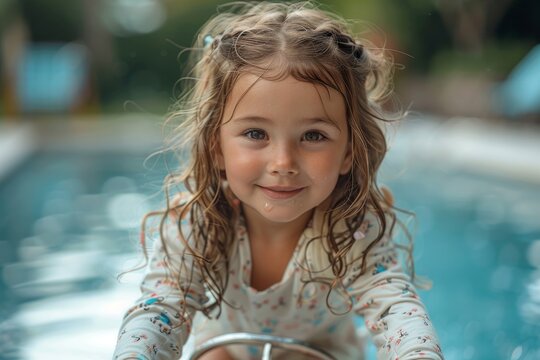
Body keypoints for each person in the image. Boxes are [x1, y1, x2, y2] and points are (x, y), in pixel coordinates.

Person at [113, 1, 443, 359]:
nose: (283, 162)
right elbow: (160, 311)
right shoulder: (197, 222)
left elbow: (395, 308)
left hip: (320, 352)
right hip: (228, 349)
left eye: (313, 136)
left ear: (349, 151)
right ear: (217, 147)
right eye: (256, 133)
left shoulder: (352, 229)